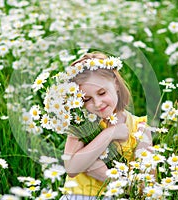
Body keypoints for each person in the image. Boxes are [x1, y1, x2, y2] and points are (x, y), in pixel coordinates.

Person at [60, 52, 153, 200]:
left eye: (102, 93)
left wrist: (106, 177)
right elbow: (72, 168)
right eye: (87, 99)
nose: (97, 104)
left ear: (115, 83)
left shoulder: (140, 128)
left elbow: (146, 188)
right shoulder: (82, 124)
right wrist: (111, 133)